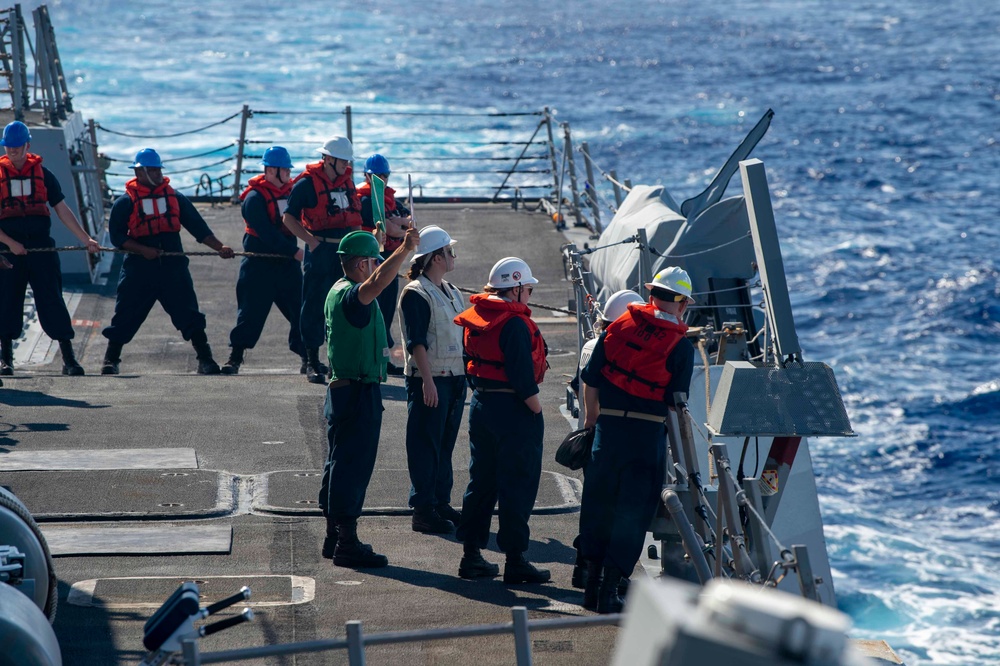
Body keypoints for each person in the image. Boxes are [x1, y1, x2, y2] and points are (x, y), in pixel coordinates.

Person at [578, 267, 696, 613]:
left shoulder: (618, 327)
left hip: (608, 431)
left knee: (598, 505)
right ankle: (611, 590)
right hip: (646, 437)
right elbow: (677, 402)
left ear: (650, 296)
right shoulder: (681, 347)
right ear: (681, 304)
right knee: (632, 512)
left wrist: (591, 418)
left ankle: (591, 583)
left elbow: (591, 378)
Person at [319, 226, 420, 569]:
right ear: (362, 265)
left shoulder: (337, 288)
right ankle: (346, 542)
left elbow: (371, 275)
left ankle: (334, 535)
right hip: (358, 392)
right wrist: (404, 249)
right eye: (373, 260)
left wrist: (378, 240)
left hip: (344, 389)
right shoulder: (354, 297)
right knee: (352, 466)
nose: (378, 266)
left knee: (338, 464)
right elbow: (377, 282)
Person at [453, 257, 550, 584]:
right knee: (517, 486)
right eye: (529, 288)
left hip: (482, 404)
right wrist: (536, 410)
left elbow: (468, 360)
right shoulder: (514, 325)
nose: (530, 294)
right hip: (514, 410)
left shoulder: (478, 318)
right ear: (517, 287)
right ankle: (515, 560)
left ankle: (471, 555)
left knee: (481, 481)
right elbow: (523, 378)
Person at [100, 148, 235, 375]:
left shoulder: (175, 198)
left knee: (189, 312)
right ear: (139, 172)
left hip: (173, 267)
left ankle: (205, 359)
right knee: (126, 313)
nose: (156, 173)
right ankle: (111, 359)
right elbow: (117, 237)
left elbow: (198, 228)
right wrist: (143, 250)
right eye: (151, 169)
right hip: (138, 268)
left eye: (158, 169)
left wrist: (220, 247)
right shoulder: (125, 202)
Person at [0, 121, 100, 376]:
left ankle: (68, 357)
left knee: (51, 299)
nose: (13, 152)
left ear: (27, 146)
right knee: (6, 301)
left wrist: (86, 239)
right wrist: (11, 244)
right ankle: (5, 358)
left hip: (41, 248)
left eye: (17, 147)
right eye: (8, 147)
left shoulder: (43, 175)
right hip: (8, 251)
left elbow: (62, 211)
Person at [569, 288, 643, 590]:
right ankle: (609, 578)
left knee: (593, 506)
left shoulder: (590, 344)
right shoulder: (616, 346)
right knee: (616, 509)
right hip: (610, 437)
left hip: (590, 437)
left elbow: (579, 385)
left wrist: (589, 416)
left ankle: (583, 571)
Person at [397, 225, 466, 534]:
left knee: (445, 445)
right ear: (436, 257)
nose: (453, 256)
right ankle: (423, 509)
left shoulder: (452, 291)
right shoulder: (416, 293)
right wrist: (427, 381)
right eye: (449, 251)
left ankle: (440, 501)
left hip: (454, 379)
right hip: (432, 380)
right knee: (426, 445)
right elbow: (416, 342)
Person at [281, 136, 363, 384]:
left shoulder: (347, 181)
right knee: (314, 304)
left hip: (344, 252)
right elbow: (289, 218)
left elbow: (354, 217)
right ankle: (311, 360)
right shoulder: (306, 184)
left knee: (343, 304)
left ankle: (338, 359)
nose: (347, 165)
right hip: (320, 252)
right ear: (329, 159)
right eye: (343, 160)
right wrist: (311, 241)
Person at [221, 146, 305, 375]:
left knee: (301, 311)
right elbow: (267, 234)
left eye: (289, 171)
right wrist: (294, 252)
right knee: (249, 313)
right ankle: (235, 357)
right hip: (259, 265)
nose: (288, 174)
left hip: (287, 266)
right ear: (271, 170)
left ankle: (308, 358)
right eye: (285, 170)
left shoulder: (292, 194)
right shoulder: (254, 198)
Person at [357, 153, 411, 376]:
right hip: (372, 264)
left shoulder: (390, 200)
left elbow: (408, 221)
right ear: (367, 177)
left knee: (387, 312)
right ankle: (367, 358)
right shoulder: (366, 200)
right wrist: (398, 225)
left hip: (391, 261)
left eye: (384, 175)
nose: (382, 179)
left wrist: (397, 223)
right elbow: (390, 228)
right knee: (373, 311)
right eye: (376, 176)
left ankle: (383, 357)